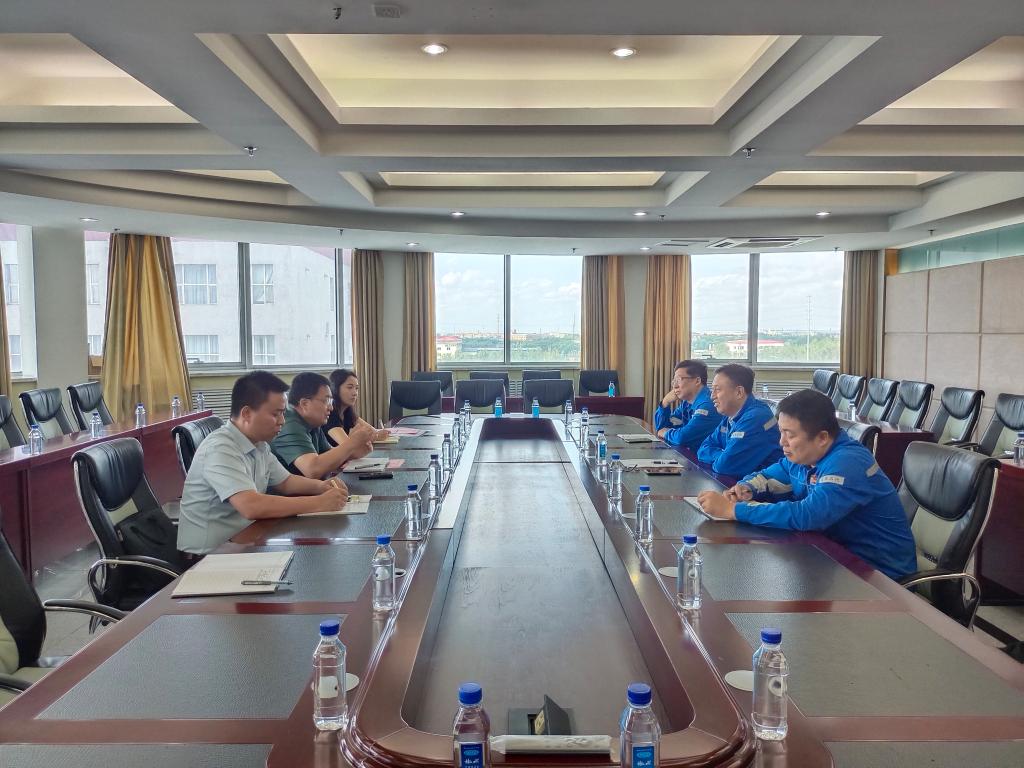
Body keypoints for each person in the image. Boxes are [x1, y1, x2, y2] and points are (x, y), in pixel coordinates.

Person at [697, 389, 917, 580]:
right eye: (781, 432)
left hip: (879, 576)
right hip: (832, 558)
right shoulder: (806, 456)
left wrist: (733, 510)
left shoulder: (847, 463)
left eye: (789, 435)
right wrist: (745, 488)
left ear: (822, 437)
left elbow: (807, 515)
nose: (781, 442)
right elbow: (771, 475)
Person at [177, 371, 349, 555]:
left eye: (283, 413)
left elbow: (286, 482)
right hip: (208, 555)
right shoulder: (220, 448)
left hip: (245, 539)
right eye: (276, 414)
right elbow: (251, 505)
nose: (282, 421)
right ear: (247, 413)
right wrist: (318, 503)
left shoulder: (259, 444)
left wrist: (322, 486)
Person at [271, 371, 375, 478]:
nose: (331, 407)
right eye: (326, 401)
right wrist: (352, 443)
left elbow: (330, 456)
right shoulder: (288, 423)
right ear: (304, 403)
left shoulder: (313, 422)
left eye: (331, 401)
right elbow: (312, 469)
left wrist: (357, 449)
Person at [696, 363, 783, 476]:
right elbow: (703, 449)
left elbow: (724, 466)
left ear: (739, 392)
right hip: (740, 482)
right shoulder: (731, 414)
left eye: (717, 390)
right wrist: (723, 455)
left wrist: (723, 457)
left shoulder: (756, 418)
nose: (712, 396)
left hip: (764, 485)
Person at [653, 359, 719, 450]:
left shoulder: (707, 405)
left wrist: (666, 433)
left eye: (679, 380)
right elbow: (661, 428)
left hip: (701, 457)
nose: (675, 386)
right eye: (674, 381)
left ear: (697, 381)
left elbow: (682, 437)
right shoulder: (686, 403)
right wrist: (665, 403)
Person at [324, 368, 390, 448]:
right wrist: (372, 437)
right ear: (335, 388)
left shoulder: (348, 411)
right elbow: (347, 446)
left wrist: (373, 435)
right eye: (350, 387)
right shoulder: (330, 414)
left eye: (356, 388)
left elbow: (372, 431)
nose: (355, 393)